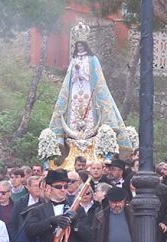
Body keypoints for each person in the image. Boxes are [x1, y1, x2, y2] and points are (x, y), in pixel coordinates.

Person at [47, 24, 132, 162]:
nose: (80, 47)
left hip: (89, 90)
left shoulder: (93, 60)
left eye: (82, 45)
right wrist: (76, 73)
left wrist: (83, 72)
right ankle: (72, 150)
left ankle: (97, 150)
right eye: (78, 45)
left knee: (92, 115)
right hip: (75, 91)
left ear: (85, 46)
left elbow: (97, 78)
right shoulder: (73, 60)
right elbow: (69, 79)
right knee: (73, 113)